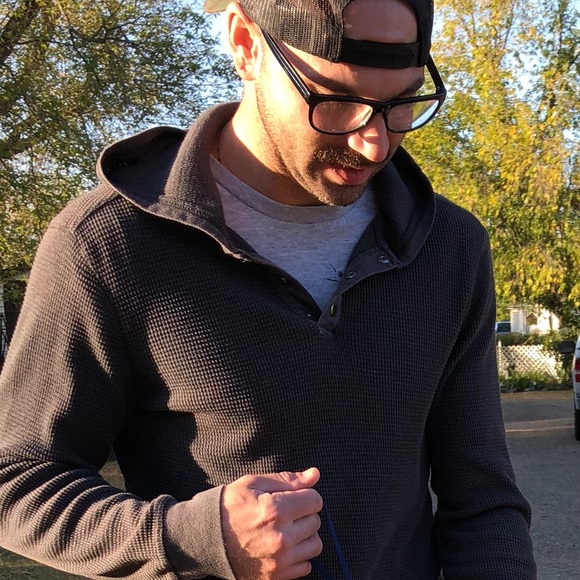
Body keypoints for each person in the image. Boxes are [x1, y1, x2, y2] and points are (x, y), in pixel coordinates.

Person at [0, 0, 537, 578]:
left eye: (400, 104)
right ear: (245, 42)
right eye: (337, 100)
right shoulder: (108, 244)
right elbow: (17, 482)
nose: (375, 144)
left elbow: (483, 503)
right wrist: (196, 537)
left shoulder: (448, 246)